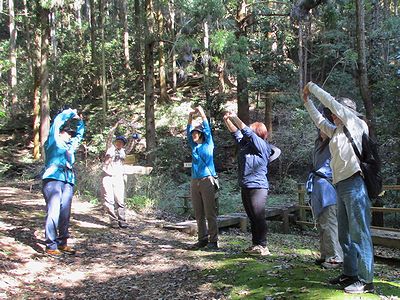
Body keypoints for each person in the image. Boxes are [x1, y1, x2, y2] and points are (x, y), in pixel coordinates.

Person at [303, 81, 374, 294]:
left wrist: (312, 88)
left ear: (346, 112)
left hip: (355, 183)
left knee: (359, 232)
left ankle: (366, 279)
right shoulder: (337, 132)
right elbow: (318, 120)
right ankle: (350, 273)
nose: (332, 115)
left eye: (335, 112)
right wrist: (306, 102)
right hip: (340, 186)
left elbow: (332, 104)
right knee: (344, 234)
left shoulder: (356, 123)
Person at [223, 112, 281, 256]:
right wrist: (227, 120)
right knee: (252, 216)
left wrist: (235, 117)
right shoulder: (246, 145)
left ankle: (263, 246)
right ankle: (255, 244)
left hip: (258, 186)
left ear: (257, 133)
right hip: (246, 185)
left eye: (251, 129)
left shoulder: (262, 145)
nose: (248, 131)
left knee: (258, 216)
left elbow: (246, 132)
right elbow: (236, 134)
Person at [42, 108, 85, 256]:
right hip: (53, 179)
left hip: (68, 180)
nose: (70, 135)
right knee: (54, 212)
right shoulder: (53, 141)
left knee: (65, 213)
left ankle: (62, 243)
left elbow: (79, 136)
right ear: (60, 133)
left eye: (71, 133)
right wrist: (69, 113)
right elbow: (56, 123)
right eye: (67, 132)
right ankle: (50, 246)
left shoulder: (69, 147)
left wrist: (80, 122)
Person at [306, 127, 343, 269]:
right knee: (322, 222)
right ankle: (325, 254)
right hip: (318, 186)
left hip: (329, 186)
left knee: (330, 221)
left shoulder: (335, 141)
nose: (322, 129)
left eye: (324, 126)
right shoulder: (318, 142)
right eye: (319, 127)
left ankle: (335, 257)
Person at [186, 105, 219, 250]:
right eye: (193, 132)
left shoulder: (208, 143)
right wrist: (190, 116)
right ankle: (202, 239)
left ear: (201, 134)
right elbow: (187, 130)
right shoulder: (193, 146)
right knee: (198, 212)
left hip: (207, 180)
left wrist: (201, 112)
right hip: (195, 181)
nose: (194, 134)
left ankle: (213, 241)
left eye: (196, 132)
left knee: (210, 212)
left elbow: (207, 127)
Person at [101, 120, 139, 229]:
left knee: (120, 199)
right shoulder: (110, 148)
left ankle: (122, 220)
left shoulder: (124, 151)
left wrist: (133, 129)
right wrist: (116, 125)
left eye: (122, 142)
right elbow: (109, 136)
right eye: (118, 141)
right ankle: (113, 220)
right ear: (115, 142)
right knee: (109, 199)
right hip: (107, 175)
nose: (119, 143)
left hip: (118, 176)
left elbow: (132, 142)